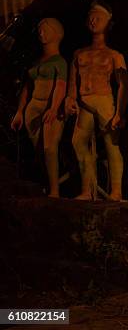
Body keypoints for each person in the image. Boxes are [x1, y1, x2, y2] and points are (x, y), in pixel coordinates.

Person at [65, 1, 128, 200]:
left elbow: (125, 85)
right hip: (84, 102)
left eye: (98, 17)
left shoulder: (114, 55)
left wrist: (119, 112)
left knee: (112, 144)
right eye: (91, 17)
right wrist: (70, 98)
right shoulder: (79, 54)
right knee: (78, 141)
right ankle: (88, 188)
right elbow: (72, 81)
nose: (93, 20)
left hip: (104, 101)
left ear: (108, 22)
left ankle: (116, 191)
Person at [11, 18, 67, 198]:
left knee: (50, 148)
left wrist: (53, 107)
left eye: (46, 30)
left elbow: (60, 86)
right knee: (38, 150)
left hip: (49, 108)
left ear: (56, 34)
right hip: (33, 108)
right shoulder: (36, 62)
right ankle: (47, 185)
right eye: (40, 30)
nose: (41, 33)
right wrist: (20, 111)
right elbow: (27, 89)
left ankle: (55, 190)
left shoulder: (59, 62)